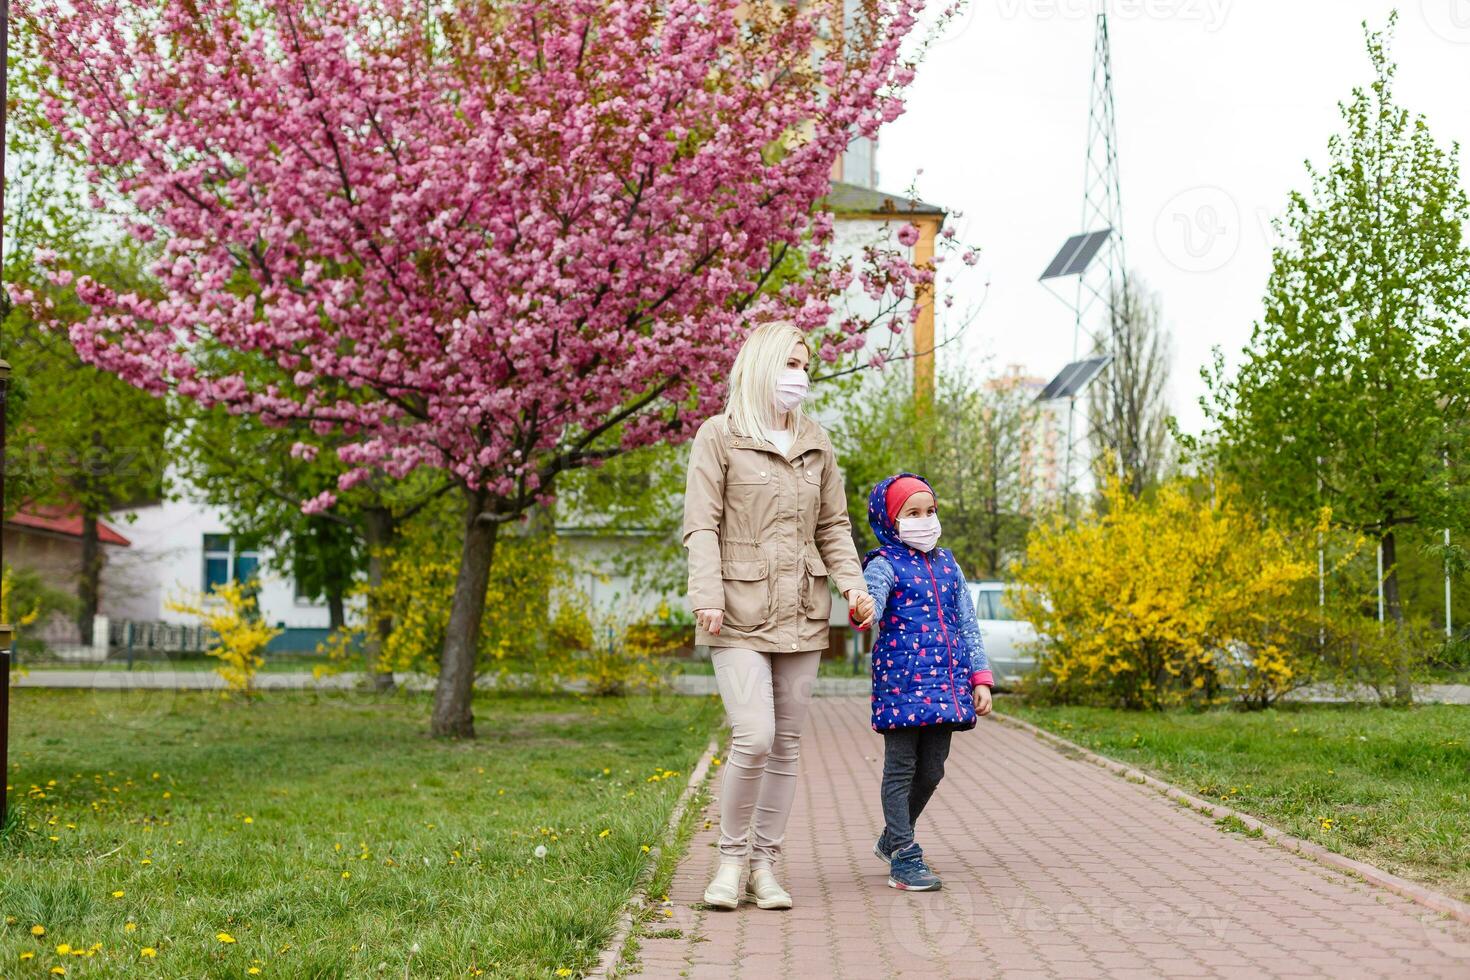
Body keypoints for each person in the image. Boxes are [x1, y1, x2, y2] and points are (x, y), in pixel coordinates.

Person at [683, 321, 876, 911]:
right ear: (762, 366)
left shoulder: (817, 441)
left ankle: (766, 866)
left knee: (787, 743)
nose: (801, 377)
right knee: (755, 734)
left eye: (806, 366)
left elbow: (833, 527)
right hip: (735, 611)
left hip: (801, 611)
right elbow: (701, 524)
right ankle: (730, 861)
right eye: (791, 364)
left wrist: (855, 585)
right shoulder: (719, 436)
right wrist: (706, 595)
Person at [853, 473, 993, 892]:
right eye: (912, 513)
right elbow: (872, 603)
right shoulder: (884, 563)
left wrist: (980, 678)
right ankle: (903, 854)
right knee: (901, 768)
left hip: (946, 688)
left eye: (929, 511)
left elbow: (967, 623)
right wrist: (864, 608)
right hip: (901, 687)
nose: (924, 520)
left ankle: (892, 836)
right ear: (890, 521)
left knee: (931, 771)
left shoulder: (948, 564)